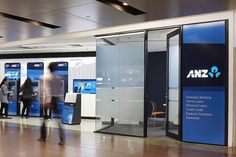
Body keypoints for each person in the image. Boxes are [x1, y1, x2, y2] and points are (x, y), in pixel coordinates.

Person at [38, 62, 65, 145]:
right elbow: (60, 90)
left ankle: (43, 137)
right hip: (56, 99)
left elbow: (43, 90)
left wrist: (44, 101)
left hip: (48, 99)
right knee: (57, 120)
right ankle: (62, 138)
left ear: (48, 68)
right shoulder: (58, 78)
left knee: (44, 119)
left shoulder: (44, 78)